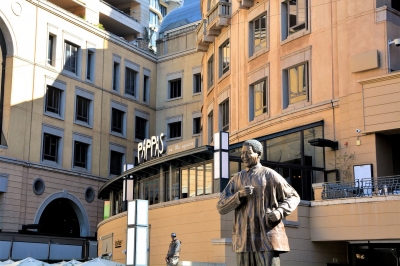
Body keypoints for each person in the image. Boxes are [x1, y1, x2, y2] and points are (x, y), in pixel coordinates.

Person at [217, 139, 300, 266]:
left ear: (258, 154)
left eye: (248, 153)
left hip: (266, 235)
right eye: (242, 153)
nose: (243, 156)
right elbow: (221, 206)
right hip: (244, 239)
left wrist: (280, 212)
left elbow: (293, 196)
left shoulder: (270, 175)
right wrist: (239, 195)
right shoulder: (237, 178)